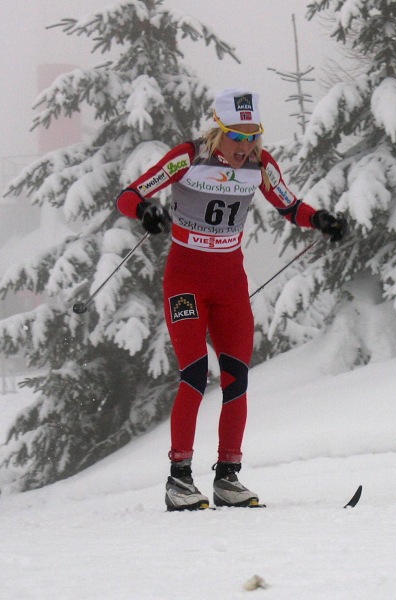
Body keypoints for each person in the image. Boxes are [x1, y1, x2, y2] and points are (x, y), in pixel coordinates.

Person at [116, 89, 347, 510]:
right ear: (217, 131)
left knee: (236, 378)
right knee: (193, 373)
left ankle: (227, 477)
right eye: (235, 136)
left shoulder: (260, 165)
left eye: (251, 136)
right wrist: (146, 211)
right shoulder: (188, 157)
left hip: (229, 285)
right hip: (185, 281)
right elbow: (129, 195)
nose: (244, 147)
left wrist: (320, 220)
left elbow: (289, 206)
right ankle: (179, 479)